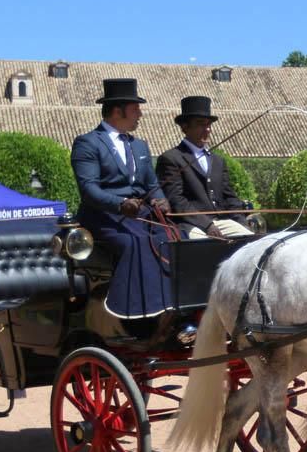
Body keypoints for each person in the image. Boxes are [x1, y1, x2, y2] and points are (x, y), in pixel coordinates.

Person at [71, 78, 174, 320]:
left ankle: (172, 302)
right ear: (118, 111)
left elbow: (152, 185)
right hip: (103, 216)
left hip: (139, 215)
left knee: (171, 235)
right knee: (135, 241)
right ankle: (133, 310)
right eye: (135, 108)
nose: (140, 114)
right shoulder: (87, 143)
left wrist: (161, 200)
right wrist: (119, 204)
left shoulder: (140, 146)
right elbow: (89, 189)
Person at [156, 96, 252, 239]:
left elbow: (229, 197)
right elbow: (176, 200)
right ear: (185, 127)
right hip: (190, 224)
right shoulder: (171, 158)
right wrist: (207, 225)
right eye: (201, 124)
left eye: (209, 125)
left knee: (250, 239)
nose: (207, 129)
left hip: (222, 222)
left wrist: (241, 222)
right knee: (202, 245)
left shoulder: (218, 160)